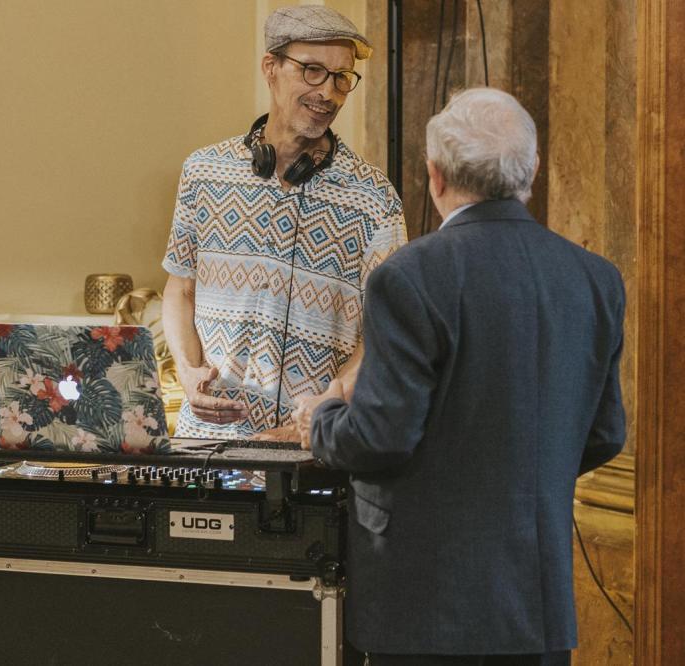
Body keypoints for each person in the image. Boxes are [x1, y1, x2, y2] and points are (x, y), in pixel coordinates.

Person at [294, 87, 626, 665]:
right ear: (532, 171)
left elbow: (379, 438)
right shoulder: (596, 278)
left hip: (426, 606)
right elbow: (604, 434)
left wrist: (321, 416)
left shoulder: (408, 277)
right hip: (537, 606)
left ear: (436, 175)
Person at [162, 5, 406, 441]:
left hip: (312, 449)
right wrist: (186, 368)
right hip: (205, 444)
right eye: (312, 71)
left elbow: (384, 335)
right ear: (270, 68)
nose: (327, 92)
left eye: (341, 77)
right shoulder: (203, 171)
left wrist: (318, 415)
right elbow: (180, 289)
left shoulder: (375, 199)